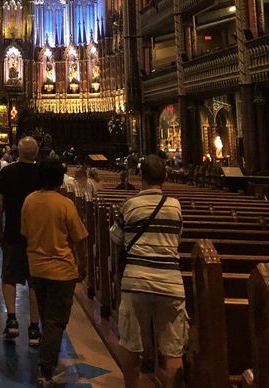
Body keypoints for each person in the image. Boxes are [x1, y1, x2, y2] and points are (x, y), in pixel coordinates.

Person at [110, 154, 186, 388]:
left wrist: (116, 274)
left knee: (131, 341)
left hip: (136, 280)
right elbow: (177, 240)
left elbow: (116, 240)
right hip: (170, 282)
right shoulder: (175, 206)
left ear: (140, 176)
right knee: (173, 349)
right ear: (164, 176)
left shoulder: (130, 205)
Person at [21, 159, 88, 388]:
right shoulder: (65, 204)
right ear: (60, 179)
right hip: (61, 270)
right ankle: (46, 369)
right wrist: (82, 263)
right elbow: (79, 238)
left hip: (37, 268)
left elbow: (26, 232)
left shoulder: (29, 200)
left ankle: (48, 360)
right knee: (55, 320)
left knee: (46, 316)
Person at [0, 135, 41, 345]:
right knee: (35, 280)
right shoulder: (42, 173)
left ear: (17, 152)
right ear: (36, 153)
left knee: (9, 276)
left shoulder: (8, 171)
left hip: (13, 230)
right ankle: (34, 328)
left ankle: (12, 318)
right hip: (38, 235)